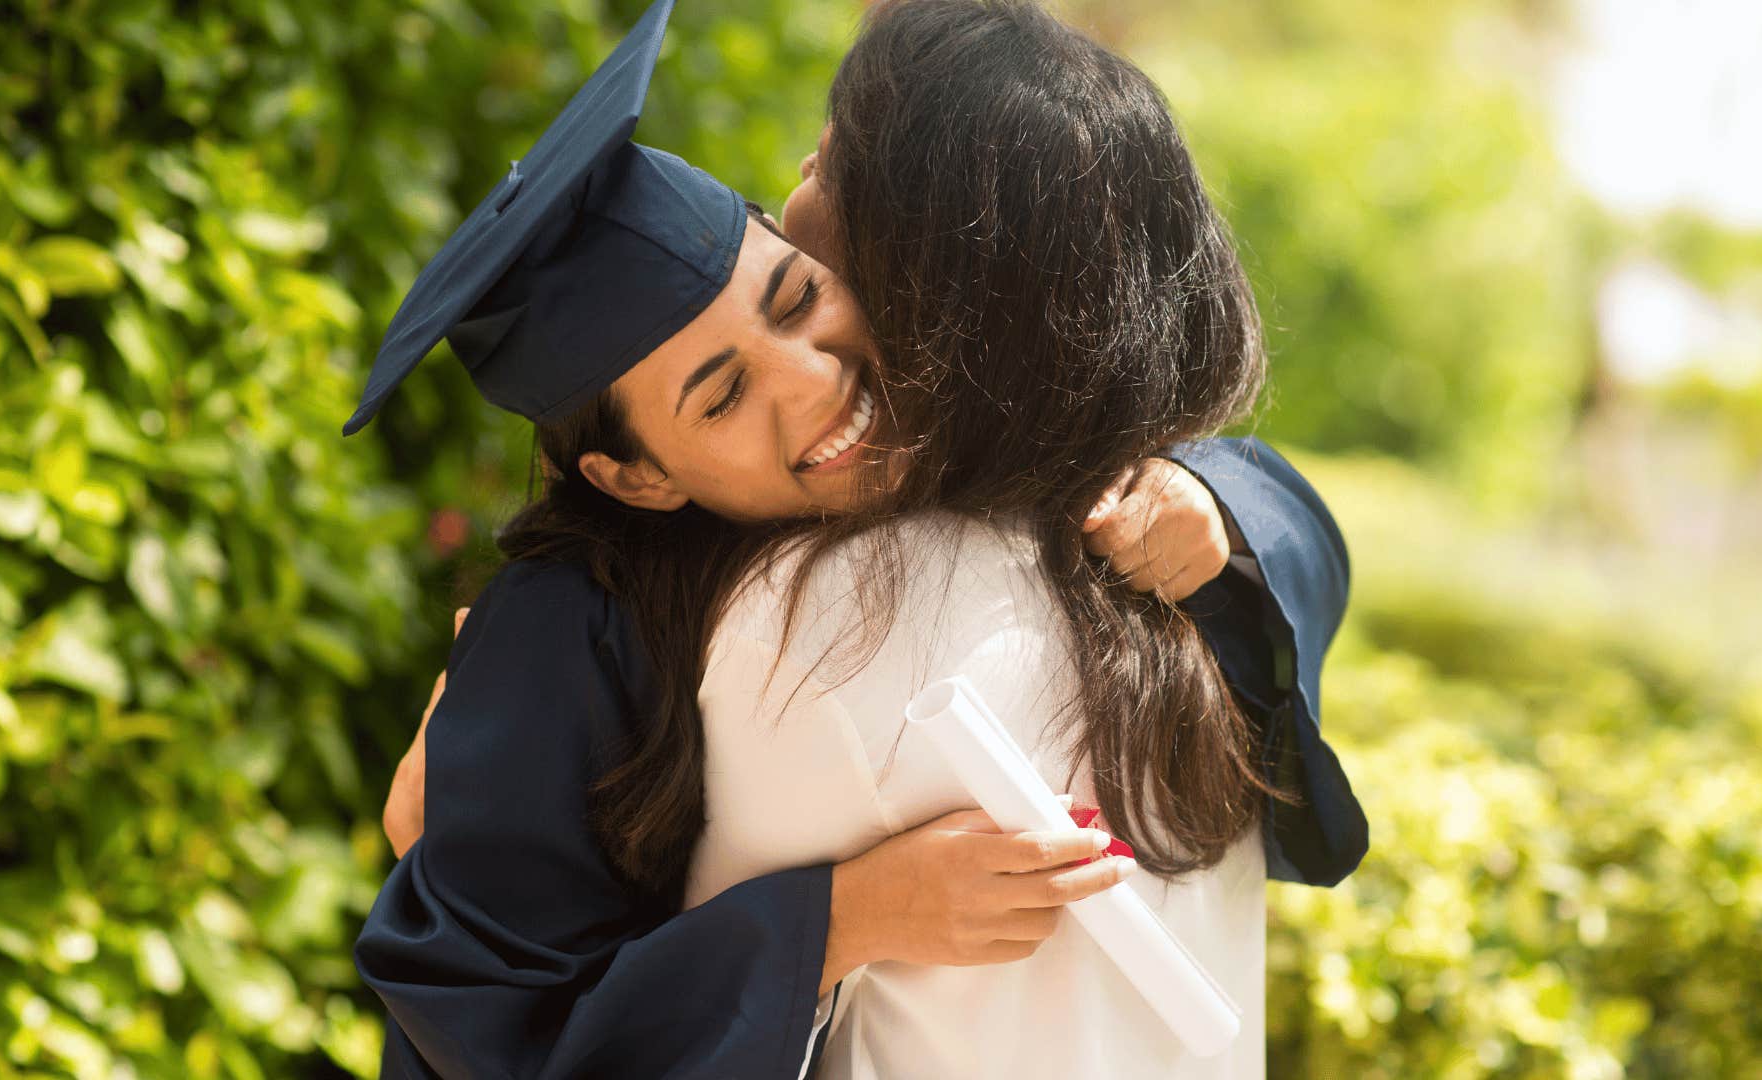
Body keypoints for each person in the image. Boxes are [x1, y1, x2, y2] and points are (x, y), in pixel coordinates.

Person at [348, 2, 1360, 1076]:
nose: (815, 381)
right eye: (723, 396)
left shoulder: (968, 456)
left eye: (795, 297)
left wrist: (1209, 505)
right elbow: (499, 1034)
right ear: (633, 476)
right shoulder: (565, 632)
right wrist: (832, 923)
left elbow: (1256, 493)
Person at [686, 2, 1323, 1074]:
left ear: (919, 273)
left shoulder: (826, 620)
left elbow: (659, 1013)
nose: (797, 171)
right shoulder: (1190, 578)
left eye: (833, 160)